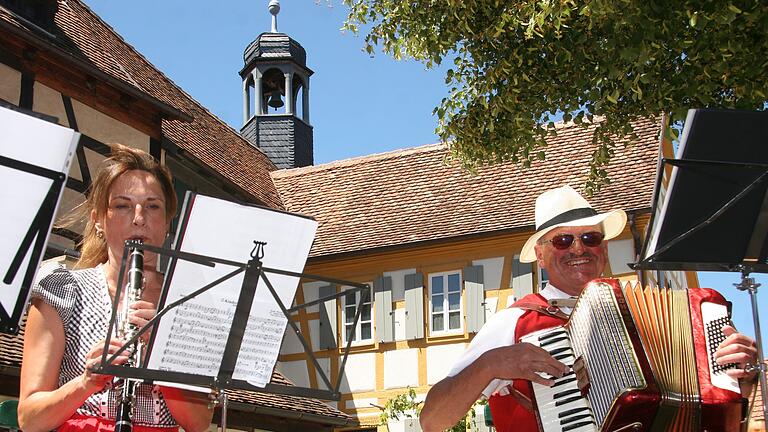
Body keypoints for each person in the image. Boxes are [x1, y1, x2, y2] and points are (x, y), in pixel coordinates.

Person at [419, 185, 759, 432]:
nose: (578, 249)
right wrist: (492, 363)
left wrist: (739, 380)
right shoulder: (515, 322)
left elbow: (719, 413)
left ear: (605, 249)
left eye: (590, 239)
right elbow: (432, 419)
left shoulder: (655, 319)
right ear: (541, 255)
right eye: (563, 240)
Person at [19, 145, 213, 432]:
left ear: (167, 222)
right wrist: (86, 383)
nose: (139, 218)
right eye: (122, 205)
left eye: (152, 206)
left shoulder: (186, 303)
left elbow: (198, 423)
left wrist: (157, 356)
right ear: (98, 219)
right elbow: (30, 419)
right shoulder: (62, 289)